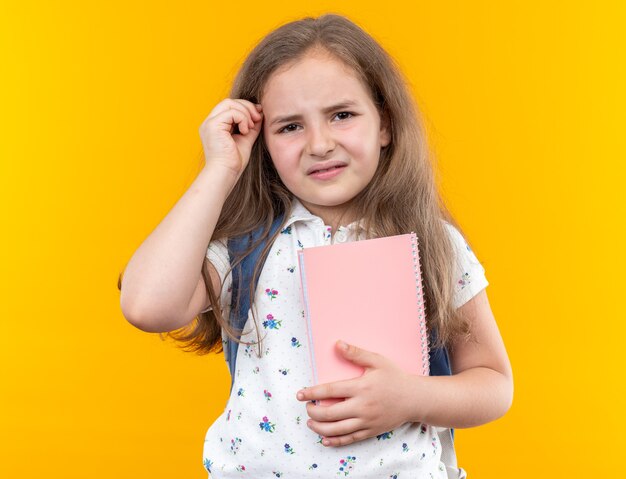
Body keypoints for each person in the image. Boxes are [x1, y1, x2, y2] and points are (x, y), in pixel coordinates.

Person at [119, 13, 513, 478]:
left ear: (384, 125)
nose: (320, 144)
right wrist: (220, 168)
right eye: (290, 127)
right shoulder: (247, 246)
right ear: (260, 142)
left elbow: (493, 384)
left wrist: (412, 396)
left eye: (341, 115)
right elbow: (146, 306)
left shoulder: (431, 242)